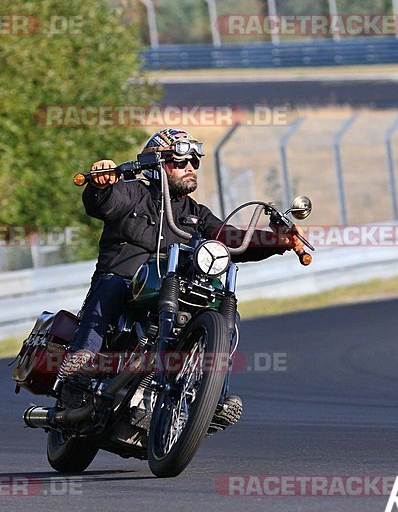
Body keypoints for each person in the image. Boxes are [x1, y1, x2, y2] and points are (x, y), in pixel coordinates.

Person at [62, 128, 304, 432]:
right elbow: (104, 203)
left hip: (175, 286)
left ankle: (212, 394)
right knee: (111, 286)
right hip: (127, 281)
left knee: (220, 308)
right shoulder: (132, 192)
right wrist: (102, 184)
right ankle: (79, 370)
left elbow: (229, 238)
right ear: (157, 165)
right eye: (180, 161)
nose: (190, 167)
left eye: (193, 161)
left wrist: (277, 241)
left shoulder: (195, 213)